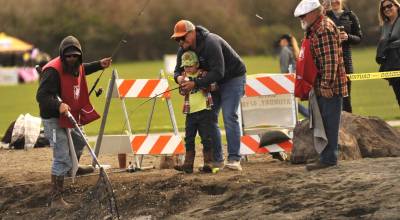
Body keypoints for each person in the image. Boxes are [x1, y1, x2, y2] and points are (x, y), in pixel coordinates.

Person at [36, 35, 112, 208]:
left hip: (69, 112)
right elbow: (41, 96)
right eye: (68, 56)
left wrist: (99, 64)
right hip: (52, 116)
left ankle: (73, 168)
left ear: (79, 56)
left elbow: (83, 68)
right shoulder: (52, 71)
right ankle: (56, 198)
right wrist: (58, 104)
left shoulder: (77, 65)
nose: (72, 59)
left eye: (75, 56)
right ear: (63, 56)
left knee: (78, 141)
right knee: (61, 154)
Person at [171, 20, 247, 171]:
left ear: (192, 33)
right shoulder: (183, 49)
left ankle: (234, 159)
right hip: (211, 81)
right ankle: (216, 160)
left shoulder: (211, 42)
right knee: (210, 117)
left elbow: (219, 72)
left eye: (183, 37)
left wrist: (195, 83)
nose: (180, 42)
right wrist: (180, 79)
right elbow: (176, 72)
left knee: (229, 116)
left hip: (232, 78)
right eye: (177, 39)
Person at [294, 0, 348, 171]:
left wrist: (326, 84)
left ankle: (329, 158)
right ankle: (326, 156)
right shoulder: (315, 28)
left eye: (303, 15)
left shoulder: (323, 29)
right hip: (321, 86)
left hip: (329, 87)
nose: (301, 18)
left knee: (329, 122)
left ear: (313, 13)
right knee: (323, 122)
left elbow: (330, 62)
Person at [173, 51, 216, 173]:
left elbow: (214, 86)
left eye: (190, 65)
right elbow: (181, 93)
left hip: (204, 111)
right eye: (185, 66)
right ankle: (188, 164)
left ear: (197, 64)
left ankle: (208, 163)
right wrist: (183, 87)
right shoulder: (183, 76)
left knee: (206, 138)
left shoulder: (204, 74)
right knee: (189, 138)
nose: (188, 68)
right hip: (190, 113)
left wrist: (203, 85)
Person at [326, 0, 363, 113]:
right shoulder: (324, 16)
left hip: (346, 61)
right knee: (330, 98)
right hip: (329, 61)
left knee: (346, 98)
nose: (334, 1)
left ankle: (348, 127)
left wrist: (348, 37)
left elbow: (359, 38)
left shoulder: (350, 15)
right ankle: (333, 127)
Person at [278, 34, 310, 118]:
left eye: (281, 40)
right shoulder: (294, 50)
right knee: (293, 102)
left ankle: (309, 115)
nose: (280, 42)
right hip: (297, 78)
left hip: (289, 79)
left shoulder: (285, 50)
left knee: (292, 102)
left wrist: (282, 80)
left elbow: (284, 68)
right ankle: (309, 115)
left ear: (285, 41)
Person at [376, 0, 400, 107]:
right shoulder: (385, 25)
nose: (386, 9)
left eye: (389, 6)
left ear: (396, 6)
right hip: (392, 66)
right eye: (383, 8)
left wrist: (391, 45)